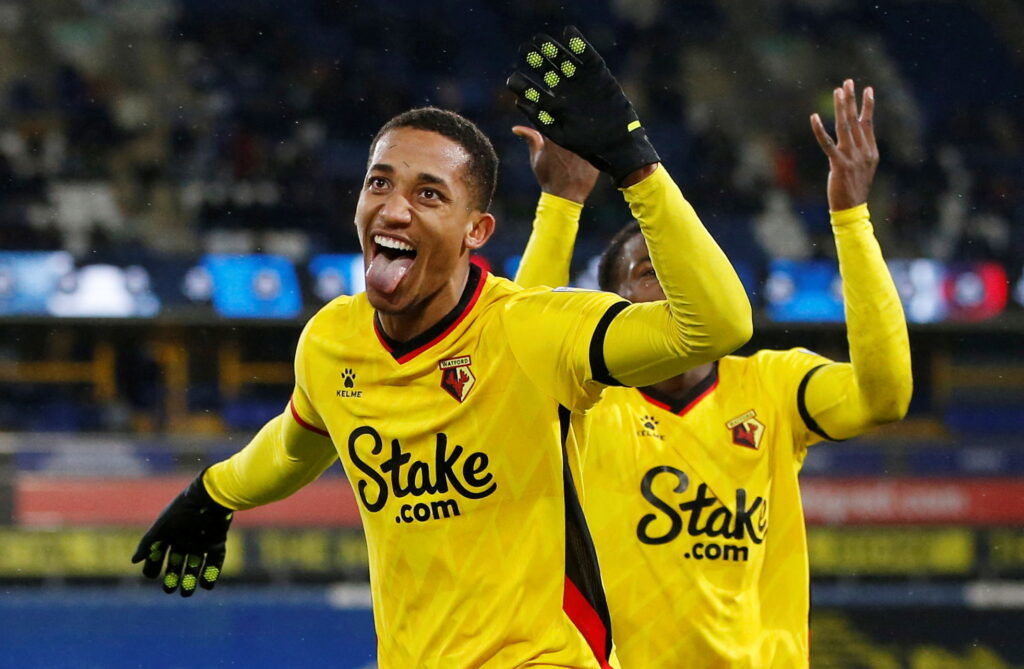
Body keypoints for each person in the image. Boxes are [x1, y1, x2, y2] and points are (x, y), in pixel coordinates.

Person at [132, 27, 752, 669]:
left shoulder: (531, 326)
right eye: (379, 183)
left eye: (429, 194)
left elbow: (716, 325)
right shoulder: (331, 341)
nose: (394, 210)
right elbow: (293, 447)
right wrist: (212, 493)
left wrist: (636, 164)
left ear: (475, 230)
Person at [513, 79, 912, 668]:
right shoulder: (590, 405)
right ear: (614, 303)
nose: (673, 279)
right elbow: (521, 355)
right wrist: (562, 202)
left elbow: (884, 398)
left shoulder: (773, 387)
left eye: (681, 266)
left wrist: (851, 219)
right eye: (650, 269)